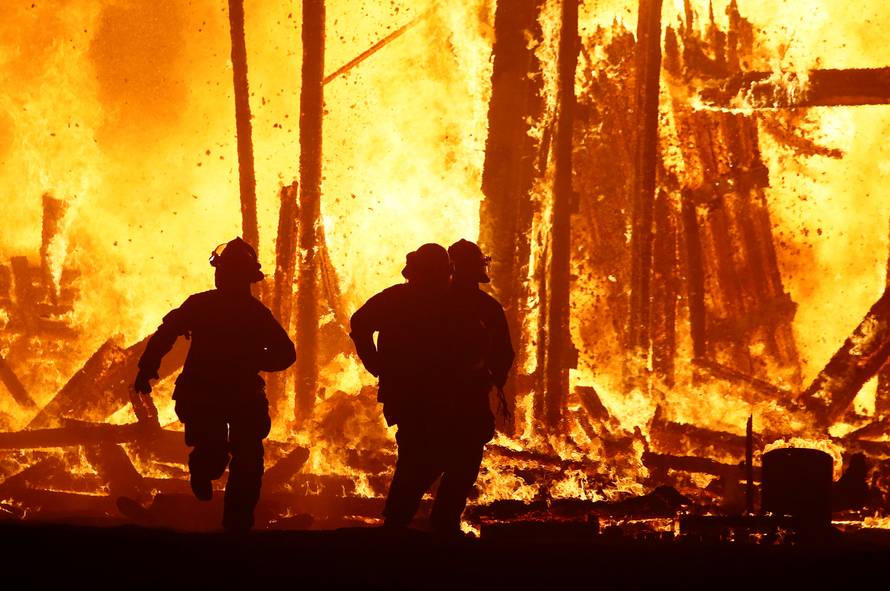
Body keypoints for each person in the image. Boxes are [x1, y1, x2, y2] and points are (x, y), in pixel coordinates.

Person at [350, 240, 514, 536]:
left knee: (453, 459)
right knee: (424, 461)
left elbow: (499, 350)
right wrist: (377, 365)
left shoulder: (459, 302)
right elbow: (360, 323)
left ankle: (429, 524)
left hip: (454, 399)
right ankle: (411, 525)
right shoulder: (414, 300)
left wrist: (376, 365)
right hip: (421, 399)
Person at [134, 237, 295, 532]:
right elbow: (168, 333)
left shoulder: (238, 311)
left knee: (247, 460)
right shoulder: (213, 307)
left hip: (232, 395)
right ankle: (205, 471)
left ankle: (236, 525)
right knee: (218, 453)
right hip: (207, 394)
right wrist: (147, 366)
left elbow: (286, 353)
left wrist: (147, 367)